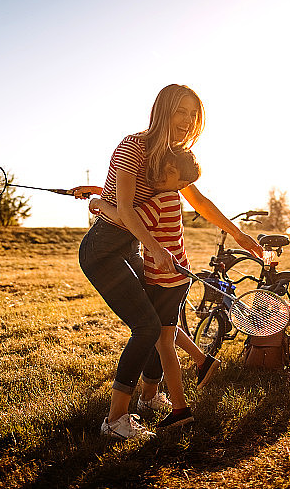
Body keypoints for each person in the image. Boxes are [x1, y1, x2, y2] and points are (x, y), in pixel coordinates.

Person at [72, 84, 263, 440]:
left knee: (160, 323)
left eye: (193, 114)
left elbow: (200, 202)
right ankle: (114, 420)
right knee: (147, 327)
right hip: (103, 250)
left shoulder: (174, 157)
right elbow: (127, 209)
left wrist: (237, 234)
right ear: (163, 111)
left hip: (130, 247)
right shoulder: (133, 146)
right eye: (180, 111)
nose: (187, 120)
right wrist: (155, 248)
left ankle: (151, 397)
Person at [88, 149, 205, 430]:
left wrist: (99, 203)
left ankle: (176, 408)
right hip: (174, 280)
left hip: (164, 280)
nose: (163, 172)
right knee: (160, 330)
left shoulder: (161, 201)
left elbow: (126, 217)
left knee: (157, 334)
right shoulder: (171, 197)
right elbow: (129, 198)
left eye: (174, 175)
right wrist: (101, 193)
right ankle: (157, 394)